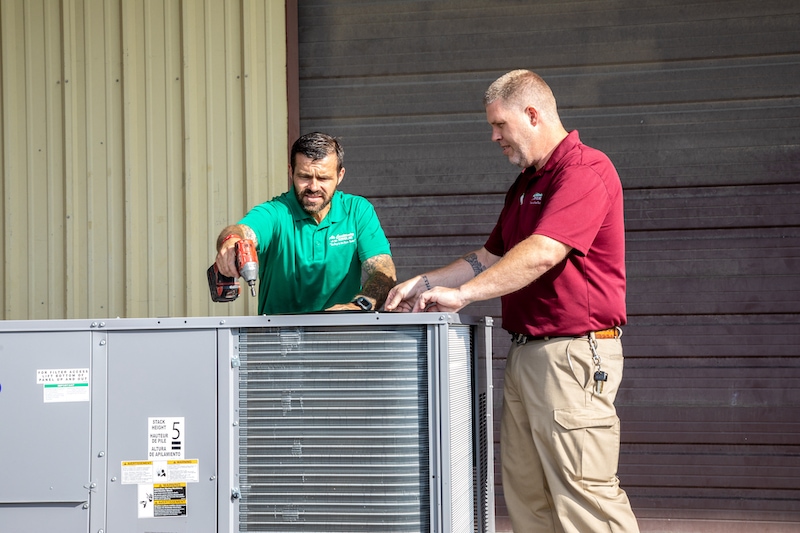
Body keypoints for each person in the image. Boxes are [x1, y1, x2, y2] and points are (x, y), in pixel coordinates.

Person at [385, 70, 639, 532]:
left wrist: (461, 296)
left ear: (532, 113)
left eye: (500, 124)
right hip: (526, 354)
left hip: (572, 355)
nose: (494, 136)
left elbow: (544, 251)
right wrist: (424, 283)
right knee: (528, 498)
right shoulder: (526, 183)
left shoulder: (585, 171)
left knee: (585, 499)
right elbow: (490, 256)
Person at [214, 132, 396, 314]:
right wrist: (231, 241)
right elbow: (241, 230)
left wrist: (357, 306)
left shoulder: (357, 211)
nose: (314, 187)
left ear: (340, 176)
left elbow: (383, 270)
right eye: (305, 177)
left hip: (342, 331)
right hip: (277, 337)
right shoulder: (276, 212)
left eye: (323, 178)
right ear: (291, 172)